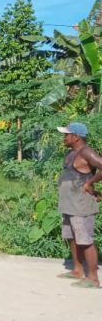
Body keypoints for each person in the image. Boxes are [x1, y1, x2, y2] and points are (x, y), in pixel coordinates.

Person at [56, 122, 102, 289]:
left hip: (81, 205)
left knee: (85, 240)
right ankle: (77, 270)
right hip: (70, 204)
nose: (64, 137)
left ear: (76, 137)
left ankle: (93, 278)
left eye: (66, 134)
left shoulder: (86, 152)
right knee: (72, 238)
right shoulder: (72, 153)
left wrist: (90, 183)